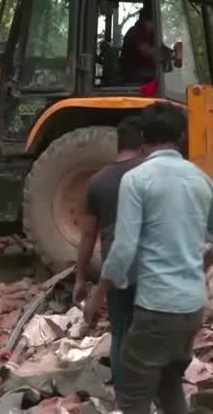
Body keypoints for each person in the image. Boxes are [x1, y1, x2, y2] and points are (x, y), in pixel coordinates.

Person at [86, 102, 213, 414]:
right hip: (192, 309)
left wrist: (97, 295)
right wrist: (202, 262)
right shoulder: (200, 179)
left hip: (157, 307)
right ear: (181, 137)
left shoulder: (138, 179)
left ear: (144, 139)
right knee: (169, 386)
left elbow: (123, 249)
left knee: (132, 393)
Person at [73, 117, 144, 388]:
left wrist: (81, 278)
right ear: (144, 142)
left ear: (119, 143)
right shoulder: (150, 173)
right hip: (153, 270)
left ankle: (123, 397)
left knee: (120, 334)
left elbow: (88, 234)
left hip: (115, 271)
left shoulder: (98, 181)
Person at [120, 6, 158, 84]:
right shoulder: (135, 32)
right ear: (146, 21)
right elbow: (146, 51)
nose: (155, 26)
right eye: (154, 22)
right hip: (134, 75)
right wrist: (163, 52)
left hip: (142, 72)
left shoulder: (149, 34)